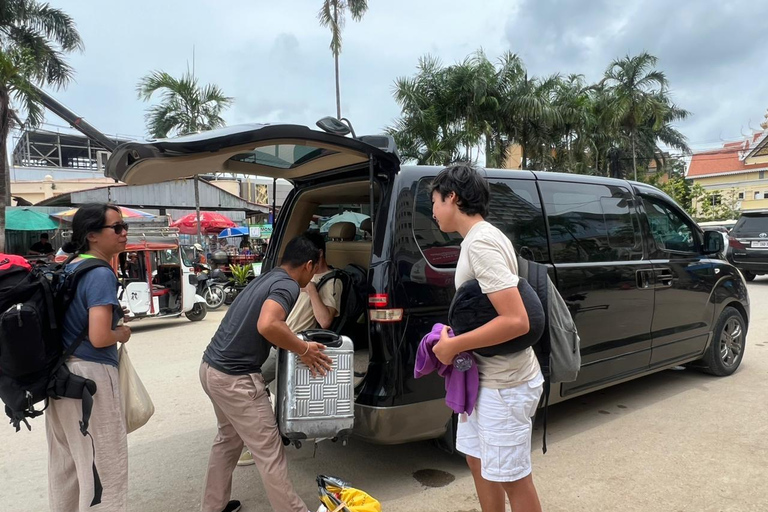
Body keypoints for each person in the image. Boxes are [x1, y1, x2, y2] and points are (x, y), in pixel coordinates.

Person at [429, 164, 544, 512]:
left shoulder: (481, 243)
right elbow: (488, 310)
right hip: (484, 380)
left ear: (452, 197)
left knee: (511, 476)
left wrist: (453, 346)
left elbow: (516, 320)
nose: (432, 211)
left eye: (434, 201)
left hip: (504, 384)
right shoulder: (478, 239)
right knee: (478, 463)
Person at [199, 235, 334, 512]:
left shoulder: (268, 277)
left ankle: (213, 507)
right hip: (236, 379)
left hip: (211, 368)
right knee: (270, 451)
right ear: (309, 265)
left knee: (227, 441)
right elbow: (268, 324)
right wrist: (304, 349)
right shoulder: (288, 285)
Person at [46, 203, 132, 512]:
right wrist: (122, 333)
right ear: (92, 235)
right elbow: (99, 337)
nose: (124, 234)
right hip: (90, 380)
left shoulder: (71, 264)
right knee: (105, 468)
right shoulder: (99, 273)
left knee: (67, 468)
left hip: (60, 378)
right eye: (117, 228)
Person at [237, 230, 343, 466]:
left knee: (248, 383)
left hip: (292, 345)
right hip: (275, 339)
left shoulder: (331, 280)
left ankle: (257, 442)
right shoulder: (290, 277)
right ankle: (260, 437)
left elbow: (325, 321)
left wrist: (312, 290)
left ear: (317, 256)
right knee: (249, 383)